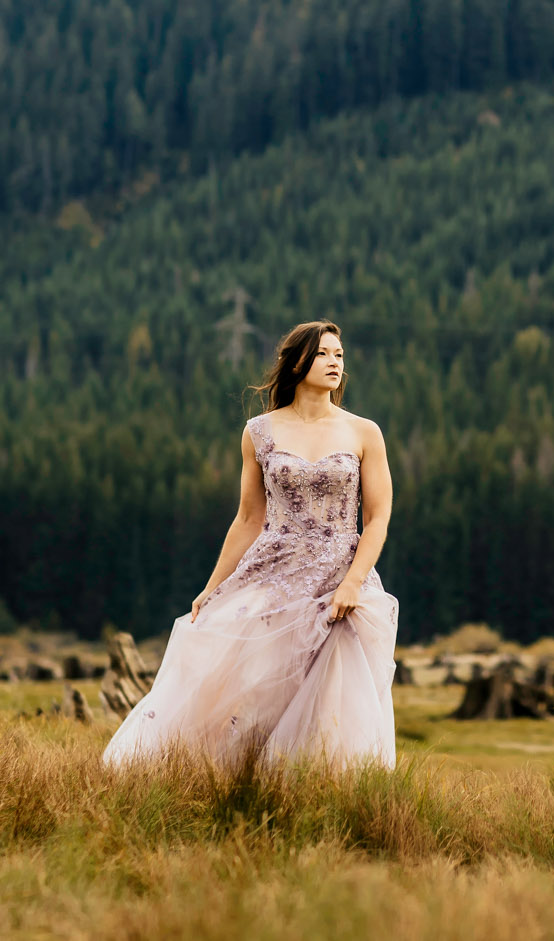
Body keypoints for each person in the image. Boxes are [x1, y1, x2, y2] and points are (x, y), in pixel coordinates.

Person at [103, 320, 399, 769]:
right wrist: (212, 587)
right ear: (297, 361)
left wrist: (354, 582)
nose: (335, 362)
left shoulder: (364, 432)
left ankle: (327, 802)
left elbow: (377, 518)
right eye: (323, 353)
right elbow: (247, 519)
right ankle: (230, 786)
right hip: (275, 573)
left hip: (340, 577)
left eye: (339, 355)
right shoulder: (259, 431)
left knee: (335, 697)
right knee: (254, 688)